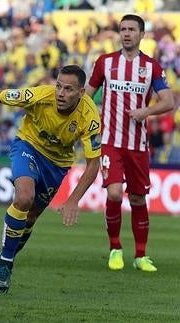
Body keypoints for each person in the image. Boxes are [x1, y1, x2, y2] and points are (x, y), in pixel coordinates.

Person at [0, 65, 101, 294]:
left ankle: (8, 255)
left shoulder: (90, 117)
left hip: (57, 164)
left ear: (81, 93)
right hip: (28, 146)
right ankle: (4, 264)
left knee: (31, 217)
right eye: (58, 86)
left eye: (68, 89)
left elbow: (94, 164)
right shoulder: (39, 95)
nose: (61, 93)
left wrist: (74, 199)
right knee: (24, 198)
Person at [86, 14, 174, 273]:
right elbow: (87, 98)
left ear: (141, 34)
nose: (126, 33)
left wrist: (144, 113)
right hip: (110, 141)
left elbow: (168, 101)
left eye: (132, 29)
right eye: (123, 29)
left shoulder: (152, 67)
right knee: (114, 193)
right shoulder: (105, 63)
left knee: (137, 198)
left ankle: (141, 255)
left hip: (137, 144)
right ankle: (115, 248)